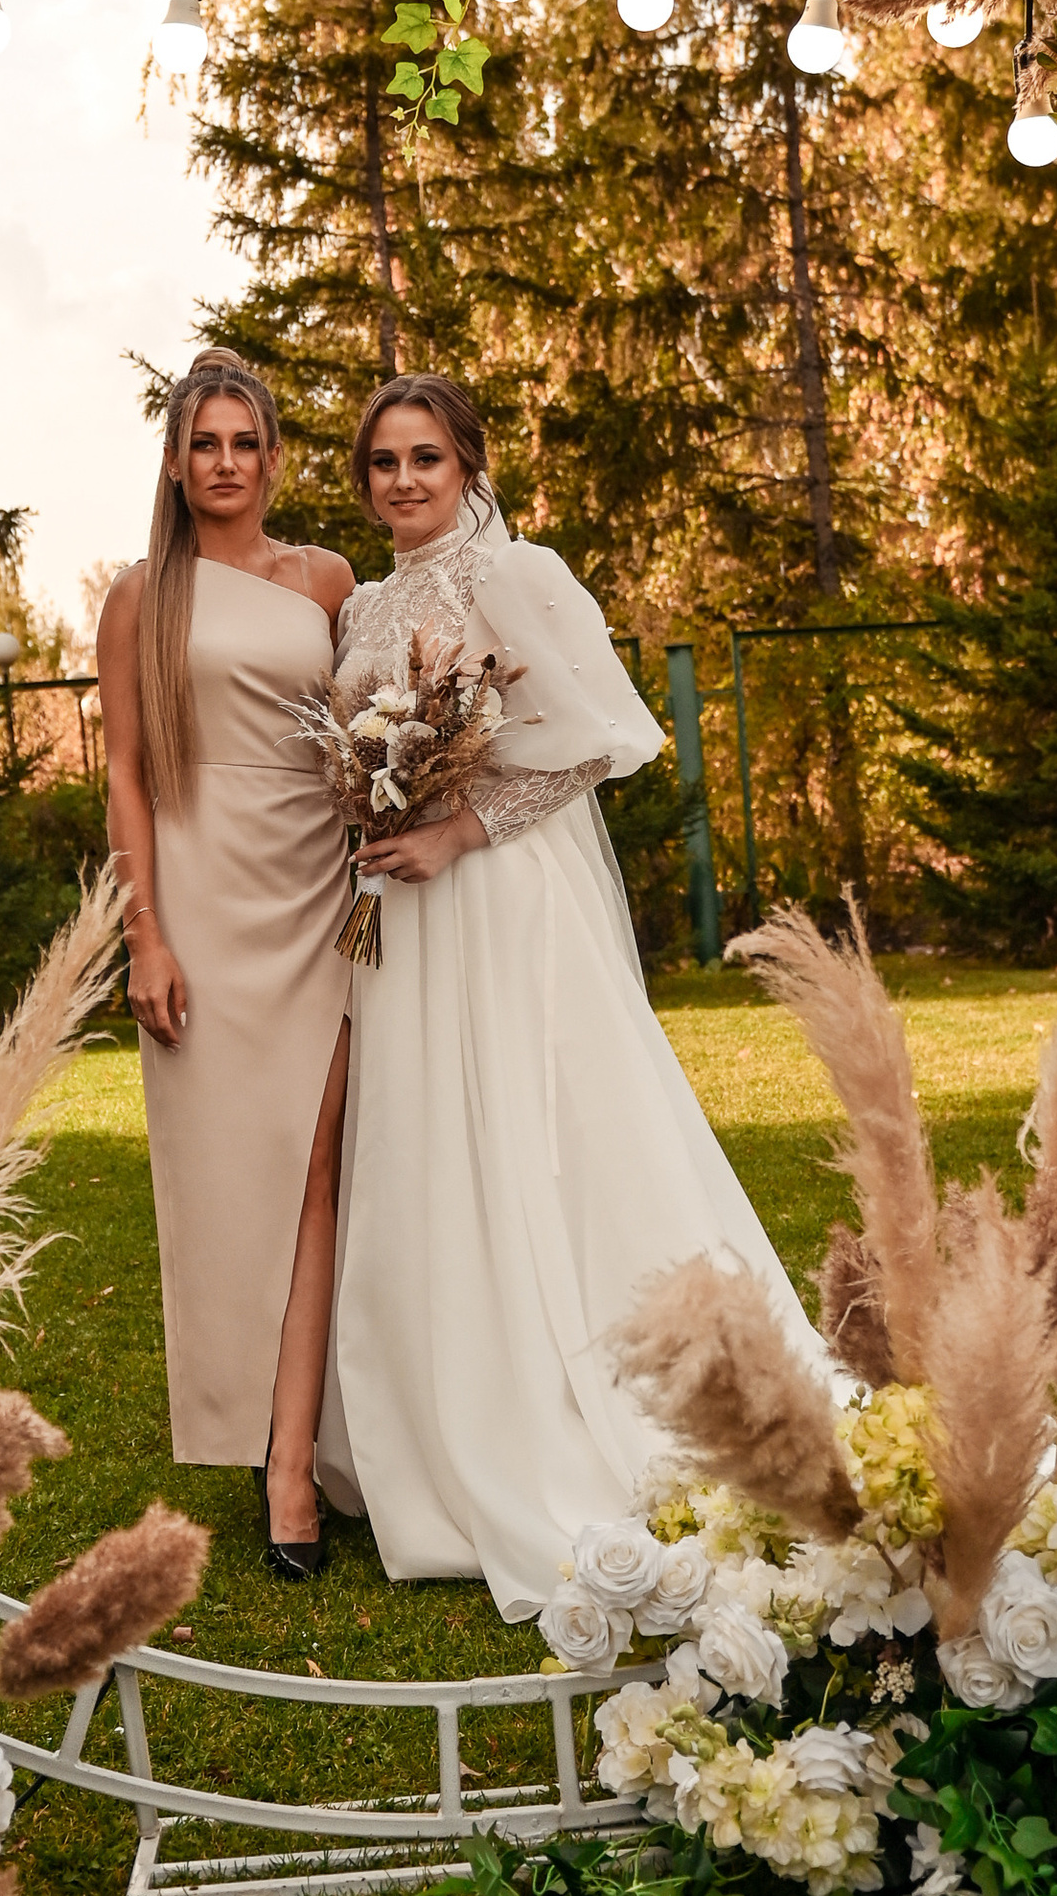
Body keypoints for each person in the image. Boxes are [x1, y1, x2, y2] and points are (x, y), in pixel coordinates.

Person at [321, 373, 818, 1622]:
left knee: (537, 1130)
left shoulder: (515, 573)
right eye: (383, 462)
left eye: (425, 458)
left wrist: (459, 830)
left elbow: (599, 739)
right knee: (427, 1144)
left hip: (497, 897)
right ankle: (436, 1421)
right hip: (402, 912)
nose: (403, 481)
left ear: (468, 465)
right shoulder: (365, 604)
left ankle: (591, 1404)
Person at [95, 352, 353, 1578]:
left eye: (245, 441)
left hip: (319, 892)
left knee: (317, 1170)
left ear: (274, 457)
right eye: (205, 442)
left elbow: (369, 727)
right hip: (199, 899)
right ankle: (251, 1423)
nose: (226, 462)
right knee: (223, 1183)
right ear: (174, 461)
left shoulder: (327, 579)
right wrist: (144, 932)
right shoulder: (141, 597)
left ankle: (294, 1462)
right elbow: (125, 774)